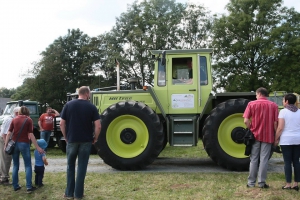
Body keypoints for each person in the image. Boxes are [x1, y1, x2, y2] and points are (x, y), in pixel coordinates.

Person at [60, 86, 101, 199]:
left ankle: (69, 193)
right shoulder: (91, 107)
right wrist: (95, 138)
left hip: (72, 139)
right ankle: (78, 194)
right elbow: (98, 126)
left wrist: (66, 137)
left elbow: (62, 124)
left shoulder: (68, 105)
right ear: (87, 94)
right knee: (82, 167)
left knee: (70, 166)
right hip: (86, 141)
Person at [243, 87, 278, 188]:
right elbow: (275, 123)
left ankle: (251, 183)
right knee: (264, 159)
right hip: (268, 136)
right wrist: (276, 136)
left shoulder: (251, 104)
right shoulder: (274, 106)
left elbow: (246, 120)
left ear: (259, 94)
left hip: (255, 135)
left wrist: (251, 128)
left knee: (254, 159)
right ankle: (261, 183)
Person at [4, 106, 44, 193]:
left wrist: (6, 144)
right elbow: (31, 134)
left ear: (19, 111)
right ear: (27, 112)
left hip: (14, 143)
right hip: (24, 143)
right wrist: (37, 147)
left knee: (15, 165)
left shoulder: (14, 119)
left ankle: (15, 185)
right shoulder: (28, 120)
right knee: (28, 165)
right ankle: (29, 187)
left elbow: (9, 133)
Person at [274, 93, 300, 191]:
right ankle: (296, 183)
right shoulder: (299, 112)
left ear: (287, 101)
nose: (282, 102)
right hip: (298, 139)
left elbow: (280, 128)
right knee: (296, 162)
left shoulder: (283, 112)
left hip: (286, 140)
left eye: (283, 100)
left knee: (287, 162)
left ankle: (288, 184)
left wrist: (276, 138)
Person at [0, 106, 20, 185]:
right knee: (6, 159)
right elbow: (5, 134)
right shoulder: (10, 120)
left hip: (4, 140)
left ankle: (2, 176)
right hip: (4, 140)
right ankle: (4, 178)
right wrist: (7, 145)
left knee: (3, 159)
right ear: (16, 113)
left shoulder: (10, 118)